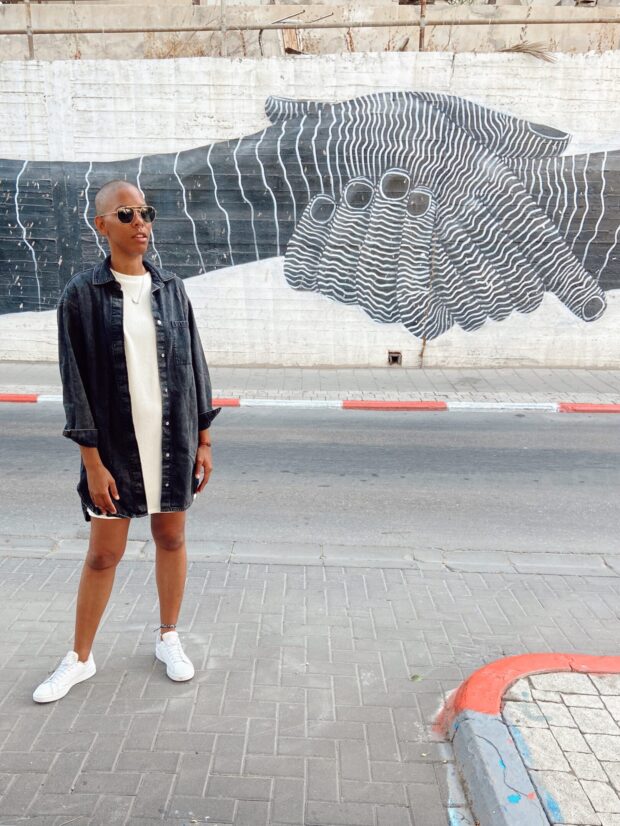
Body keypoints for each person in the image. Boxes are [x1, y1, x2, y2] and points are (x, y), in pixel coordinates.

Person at [33, 180, 220, 703]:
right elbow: (76, 383)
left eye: (146, 212)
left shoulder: (172, 289)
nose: (140, 222)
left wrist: (204, 439)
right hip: (114, 447)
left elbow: (195, 369)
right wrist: (92, 461)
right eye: (125, 213)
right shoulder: (81, 295)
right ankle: (80, 658)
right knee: (103, 554)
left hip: (172, 441)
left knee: (172, 539)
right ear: (102, 226)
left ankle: (168, 638)